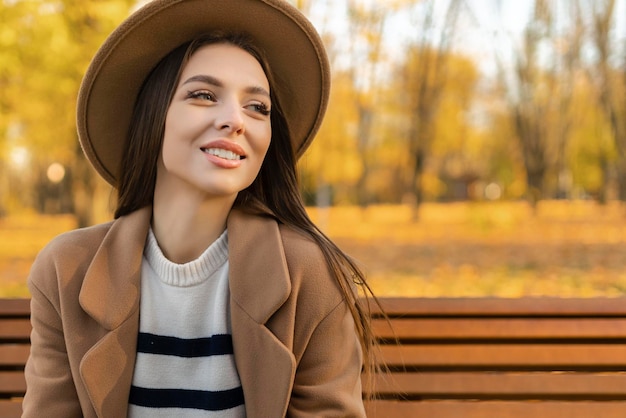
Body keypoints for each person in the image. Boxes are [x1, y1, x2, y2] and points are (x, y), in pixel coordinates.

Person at [22, 0, 379, 417]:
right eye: (204, 95)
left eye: (257, 107)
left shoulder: (309, 275)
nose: (235, 119)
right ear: (153, 117)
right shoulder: (65, 270)